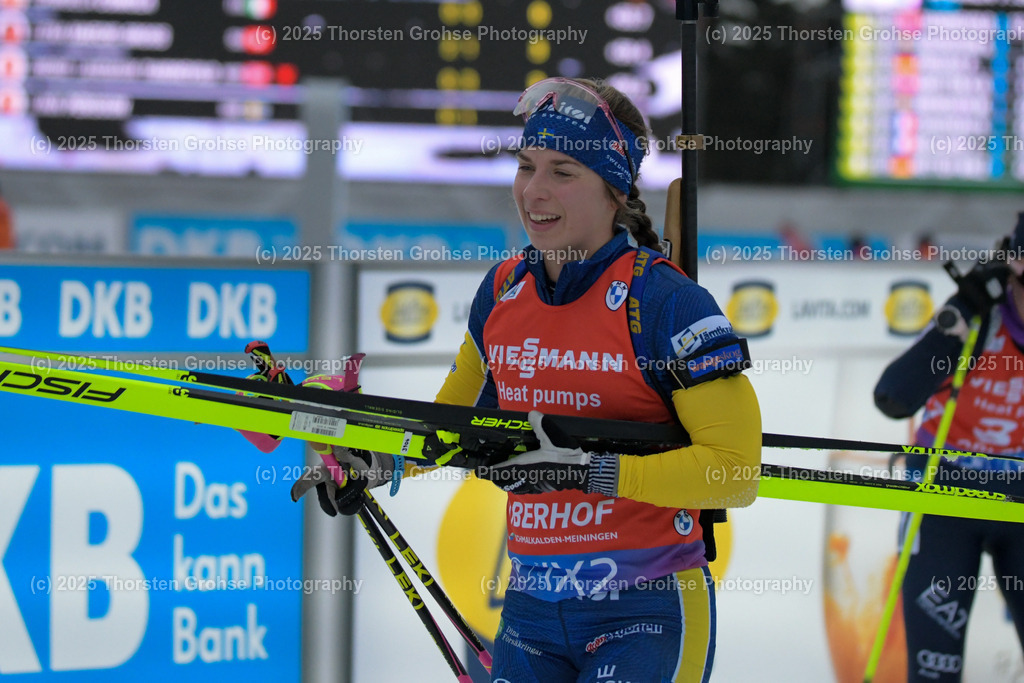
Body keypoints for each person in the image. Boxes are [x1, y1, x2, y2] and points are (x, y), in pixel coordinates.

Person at [293, 77, 762, 682]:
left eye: (563, 171)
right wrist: (376, 464)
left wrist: (585, 472)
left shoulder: (667, 302)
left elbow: (735, 471)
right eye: (526, 166)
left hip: (645, 607)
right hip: (531, 610)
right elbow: (454, 426)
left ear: (614, 191)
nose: (534, 191)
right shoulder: (502, 290)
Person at [874, 212, 1024, 683]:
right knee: (934, 669)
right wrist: (958, 313)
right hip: (945, 495)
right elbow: (892, 398)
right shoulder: (980, 319)